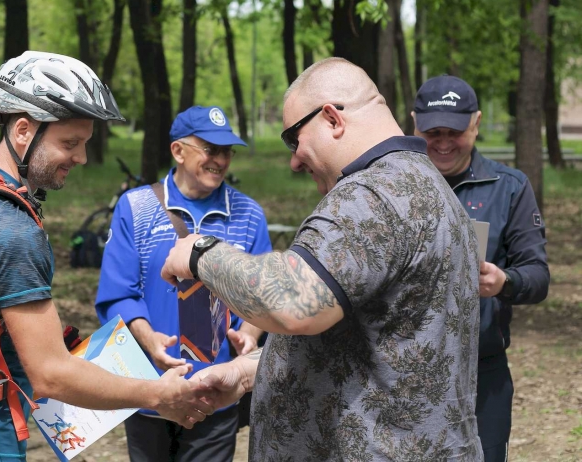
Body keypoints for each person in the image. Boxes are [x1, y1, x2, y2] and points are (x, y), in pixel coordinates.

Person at [0, 51, 214, 462]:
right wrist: (158, 395)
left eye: (85, 143)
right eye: (70, 143)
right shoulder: (11, 229)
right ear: (23, 130)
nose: (81, 158)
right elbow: (51, 374)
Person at [161, 58, 485, 460]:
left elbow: (295, 302)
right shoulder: (422, 184)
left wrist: (199, 252)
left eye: (294, 139)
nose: (295, 160)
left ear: (331, 118)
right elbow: (377, 344)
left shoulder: (372, 194)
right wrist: (246, 373)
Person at [95, 105, 272, 461]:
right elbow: (117, 294)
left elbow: (264, 294)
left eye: (226, 152)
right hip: (149, 387)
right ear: (178, 151)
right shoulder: (136, 206)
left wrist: (250, 334)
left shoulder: (248, 214)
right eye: (210, 149)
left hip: (216, 392)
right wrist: (149, 339)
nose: (220, 160)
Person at [412, 75, 550, 462]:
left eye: (453, 131)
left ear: (476, 122)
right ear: (413, 123)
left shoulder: (509, 187)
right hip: (403, 372)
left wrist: (503, 282)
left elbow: (538, 277)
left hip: (481, 372)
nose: (442, 142)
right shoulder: (391, 185)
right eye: (432, 131)